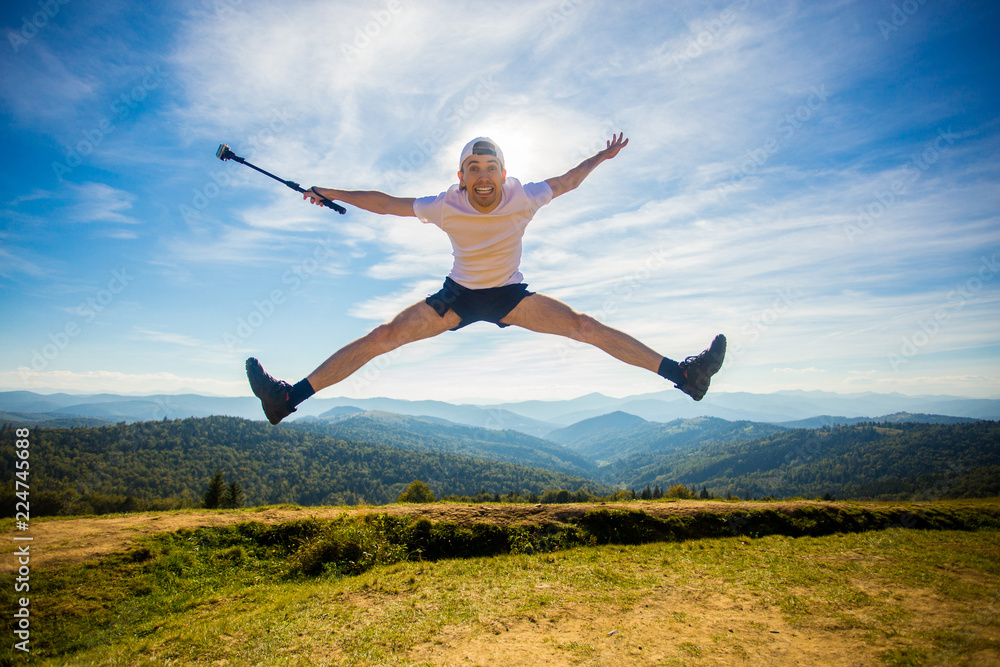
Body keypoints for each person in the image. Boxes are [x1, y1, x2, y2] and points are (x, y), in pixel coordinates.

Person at [247, 134, 725, 425]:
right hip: (458, 295)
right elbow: (384, 201)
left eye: (491, 168)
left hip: (509, 296)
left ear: (504, 174)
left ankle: (684, 376)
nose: (482, 177)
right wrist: (326, 191)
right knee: (383, 337)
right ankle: (287, 399)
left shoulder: (526, 196)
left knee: (584, 326)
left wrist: (601, 158)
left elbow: (569, 179)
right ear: (460, 175)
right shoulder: (444, 203)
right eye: (473, 169)